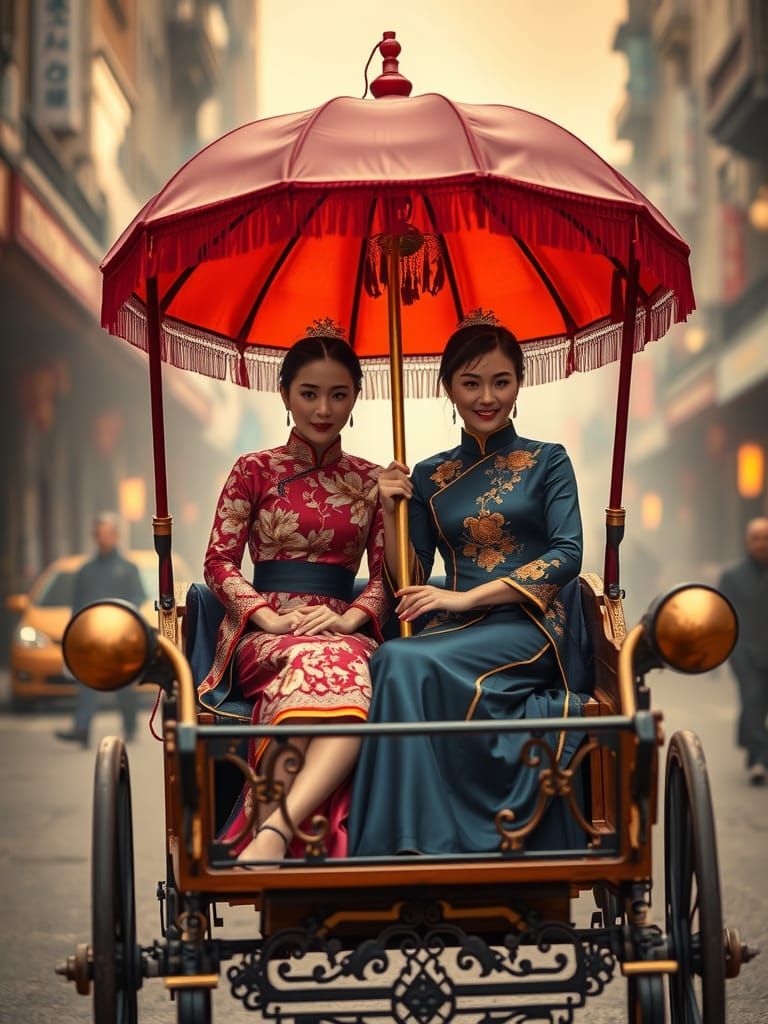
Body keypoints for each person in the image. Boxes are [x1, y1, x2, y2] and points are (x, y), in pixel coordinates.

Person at [348, 313, 589, 856]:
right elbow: (405, 579)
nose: (487, 397)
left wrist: (465, 597)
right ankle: (404, 839)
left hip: (529, 627)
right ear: (448, 387)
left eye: (501, 381)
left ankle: (416, 838)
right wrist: (390, 512)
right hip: (454, 630)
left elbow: (567, 554)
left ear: (519, 384)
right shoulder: (428, 476)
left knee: (405, 662)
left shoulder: (549, 461)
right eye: (471, 382)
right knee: (390, 659)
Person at [199, 323, 389, 862]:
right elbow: (218, 561)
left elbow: (385, 578)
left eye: (338, 394)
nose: (323, 408)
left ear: (356, 397)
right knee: (308, 663)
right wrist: (267, 617)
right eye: (309, 393)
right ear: (285, 394)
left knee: (346, 667)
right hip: (267, 630)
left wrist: (352, 619)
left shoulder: (375, 481)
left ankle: (274, 830)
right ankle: (281, 832)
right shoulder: (253, 471)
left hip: (341, 627)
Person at [55, 512, 146, 747]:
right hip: (91, 639)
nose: (103, 538)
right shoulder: (86, 570)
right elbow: (77, 605)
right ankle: (81, 728)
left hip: (120, 638)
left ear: (116, 536)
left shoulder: (128, 568)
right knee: (87, 682)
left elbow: (139, 596)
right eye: (100, 534)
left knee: (123, 683)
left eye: (108, 533)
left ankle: (130, 725)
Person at [717, 517, 768, 785]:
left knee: (760, 704)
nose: (762, 544)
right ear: (747, 542)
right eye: (756, 538)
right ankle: (760, 758)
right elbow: (720, 614)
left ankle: (754, 750)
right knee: (753, 698)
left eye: (766, 538)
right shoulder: (732, 576)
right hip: (744, 651)